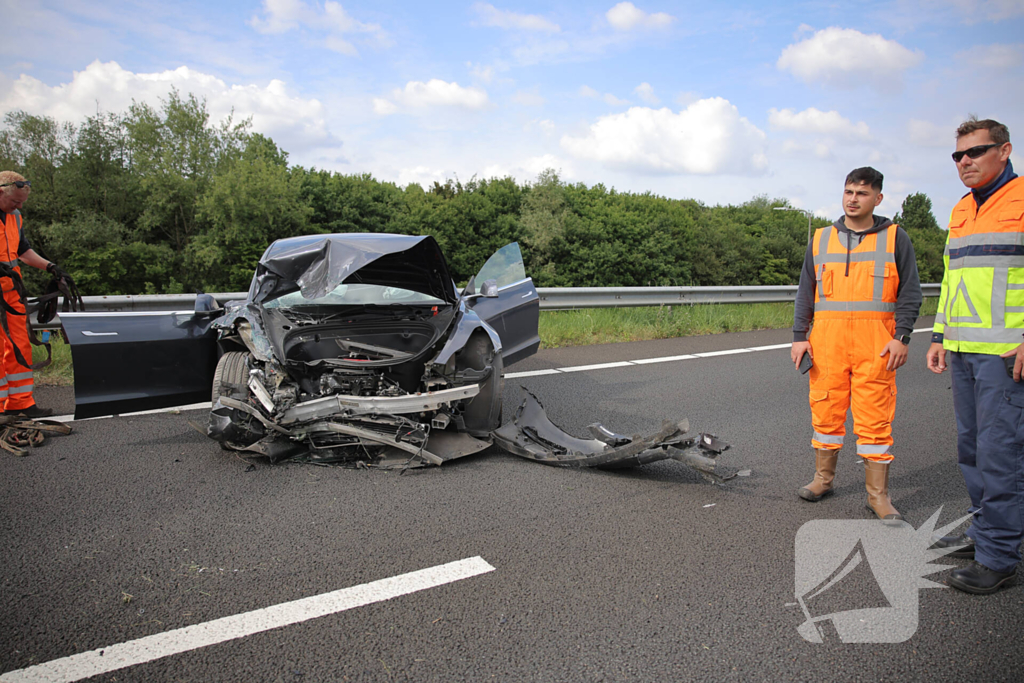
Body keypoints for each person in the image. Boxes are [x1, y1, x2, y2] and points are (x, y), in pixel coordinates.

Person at [791, 167, 922, 522]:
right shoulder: (820, 238)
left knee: (875, 419)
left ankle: (877, 496)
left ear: (878, 198)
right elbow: (806, 291)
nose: (853, 199)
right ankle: (823, 479)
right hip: (827, 343)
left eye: (862, 193)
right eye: (848, 191)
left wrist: (903, 336)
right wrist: (799, 337)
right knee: (825, 412)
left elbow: (910, 292)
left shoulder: (896, 238)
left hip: (876, 344)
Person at [926, 117, 1023, 595]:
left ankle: (1000, 556)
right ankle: (985, 533)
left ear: (1004, 151)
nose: (964, 162)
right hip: (964, 350)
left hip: (1006, 354)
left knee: (1002, 454)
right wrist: (940, 335)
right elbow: (952, 280)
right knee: (971, 450)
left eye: (976, 152)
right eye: (958, 155)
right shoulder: (962, 209)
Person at [0, 171, 67, 418]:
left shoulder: (15, 217)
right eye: (14, 201)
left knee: (20, 345)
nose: (18, 206)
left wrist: (51, 266)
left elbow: (23, 251)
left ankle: (21, 404)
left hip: (11, 293)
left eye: (21, 202)